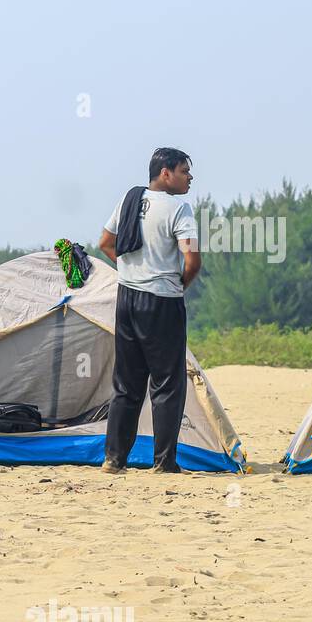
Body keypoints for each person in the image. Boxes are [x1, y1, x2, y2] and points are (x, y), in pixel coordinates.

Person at [97, 147, 201, 474]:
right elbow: (193, 260)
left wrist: (131, 272)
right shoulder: (178, 208)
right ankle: (164, 462)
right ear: (166, 173)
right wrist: (176, 286)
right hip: (162, 302)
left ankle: (114, 460)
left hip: (126, 297)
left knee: (127, 383)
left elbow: (105, 242)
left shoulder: (128, 200)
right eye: (185, 171)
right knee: (168, 384)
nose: (190, 177)